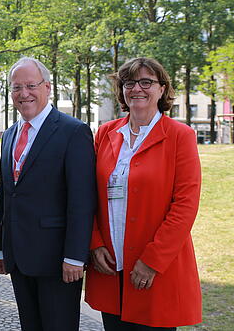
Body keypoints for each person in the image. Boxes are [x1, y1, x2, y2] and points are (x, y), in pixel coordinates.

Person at [84, 57, 202, 330]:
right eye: (129, 82)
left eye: (146, 82)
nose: (137, 88)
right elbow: (87, 194)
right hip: (110, 266)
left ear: (162, 89)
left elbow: (185, 206)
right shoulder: (105, 133)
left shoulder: (179, 136)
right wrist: (94, 242)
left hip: (156, 269)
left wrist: (152, 261)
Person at [0, 56, 97, 330]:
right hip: (18, 255)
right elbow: (6, 194)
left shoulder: (73, 132)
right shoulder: (10, 134)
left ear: (47, 87)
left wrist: (75, 256)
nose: (23, 93)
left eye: (30, 85)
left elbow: (82, 200)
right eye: (16, 88)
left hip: (57, 260)